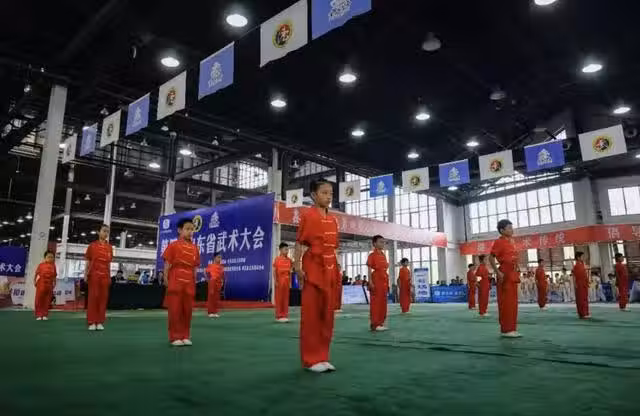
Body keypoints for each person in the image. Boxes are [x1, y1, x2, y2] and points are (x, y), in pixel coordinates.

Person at [294, 180, 339, 373]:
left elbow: (335, 247)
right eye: (324, 193)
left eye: (331, 193)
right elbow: (299, 243)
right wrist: (297, 266)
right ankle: (310, 359)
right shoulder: (308, 215)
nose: (328, 197)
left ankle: (323, 356)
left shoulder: (333, 219)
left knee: (327, 315)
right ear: (314, 195)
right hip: (313, 266)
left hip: (330, 267)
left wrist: (337, 267)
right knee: (311, 315)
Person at [163, 218, 200, 346]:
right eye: (187, 229)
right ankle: (174, 336)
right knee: (175, 310)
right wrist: (166, 278)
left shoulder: (195, 248)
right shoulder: (173, 245)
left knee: (187, 310)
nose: (190, 232)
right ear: (180, 230)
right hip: (176, 278)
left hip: (189, 280)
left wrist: (194, 280)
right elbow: (167, 263)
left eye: (192, 229)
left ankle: (185, 335)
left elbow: (195, 267)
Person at [489, 219, 521, 338]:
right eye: (509, 228)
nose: (512, 230)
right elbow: (491, 258)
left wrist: (517, 268)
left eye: (512, 227)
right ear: (502, 230)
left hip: (513, 273)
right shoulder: (499, 242)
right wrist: (498, 272)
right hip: (505, 273)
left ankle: (512, 328)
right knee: (506, 302)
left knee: (513, 302)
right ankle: (506, 329)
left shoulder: (511, 242)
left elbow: (514, 258)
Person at [84, 224, 113, 331]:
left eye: (107, 232)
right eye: (104, 231)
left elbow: (108, 263)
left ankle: (100, 321)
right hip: (94, 275)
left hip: (105, 276)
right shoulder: (92, 246)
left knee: (103, 298)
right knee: (93, 298)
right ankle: (92, 322)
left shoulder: (110, 248)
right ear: (98, 232)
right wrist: (85, 274)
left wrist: (109, 276)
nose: (106, 233)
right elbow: (88, 261)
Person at [367, 235, 389, 331]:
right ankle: (375, 324)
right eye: (380, 242)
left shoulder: (383, 255)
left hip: (384, 279)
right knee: (376, 302)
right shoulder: (372, 255)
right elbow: (369, 268)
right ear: (374, 243)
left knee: (383, 302)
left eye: (383, 242)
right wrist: (370, 282)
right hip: (376, 279)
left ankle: (380, 322)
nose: (382, 244)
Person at [34, 250, 57, 321]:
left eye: (52, 257)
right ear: (45, 258)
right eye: (48, 257)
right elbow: (36, 274)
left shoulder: (54, 266)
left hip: (49, 285)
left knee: (47, 300)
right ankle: (38, 315)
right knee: (39, 300)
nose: (50, 258)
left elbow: (54, 275)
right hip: (41, 284)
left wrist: (55, 282)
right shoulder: (41, 265)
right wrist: (34, 281)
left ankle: (45, 314)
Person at [273, 242, 292, 322]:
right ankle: (279, 316)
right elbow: (274, 271)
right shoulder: (277, 259)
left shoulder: (289, 260)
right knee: (279, 298)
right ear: (280, 250)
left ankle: (285, 315)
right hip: (280, 280)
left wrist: (290, 282)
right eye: (285, 249)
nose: (287, 251)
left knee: (286, 298)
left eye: (288, 250)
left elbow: (290, 272)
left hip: (287, 280)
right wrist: (275, 281)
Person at [206, 253, 224, 318]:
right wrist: (208, 280)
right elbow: (205, 272)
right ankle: (210, 312)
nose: (220, 259)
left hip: (218, 283)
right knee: (211, 297)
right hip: (212, 282)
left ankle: (215, 312)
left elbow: (222, 275)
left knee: (217, 297)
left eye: (220, 258)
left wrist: (222, 281)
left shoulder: (221, 267)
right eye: (218, 257)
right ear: (214, 258)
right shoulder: (210, 265)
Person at [572, 251, 590, 319]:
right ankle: (582, 314)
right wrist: (575, 284)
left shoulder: (582, 265)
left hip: (584, 283)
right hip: (579, 284)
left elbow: (585, 275)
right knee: (581, 299)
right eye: (582, 256)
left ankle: (586, 312)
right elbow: (574, 276)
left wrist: (587, 282)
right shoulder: (576, 266)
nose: (584, 258)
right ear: (578, 257)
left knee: (585, 298)